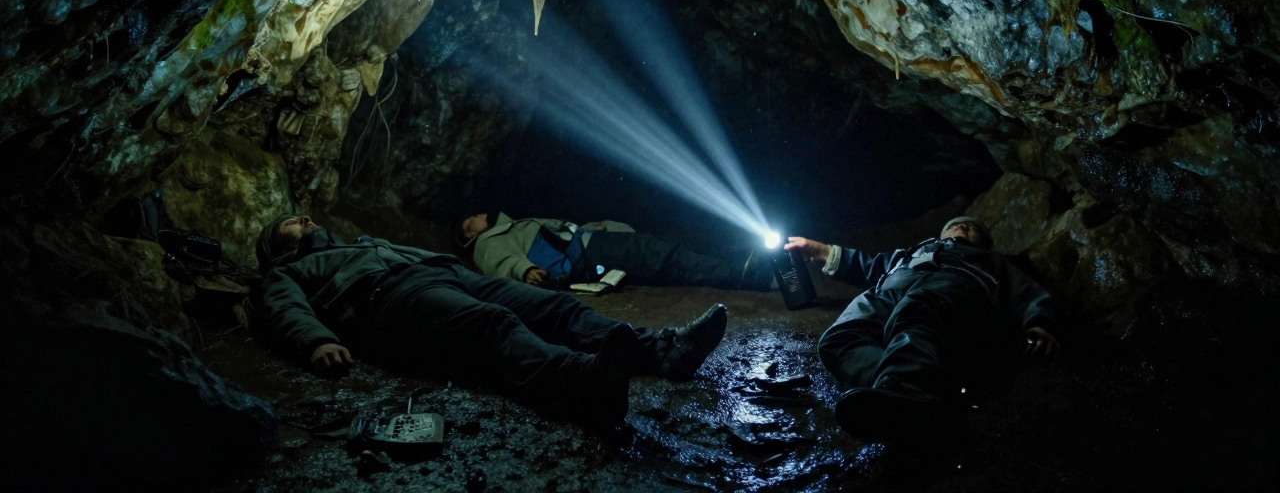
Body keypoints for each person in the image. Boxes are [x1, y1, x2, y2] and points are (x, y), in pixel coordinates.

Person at [255, 213, 729, 428]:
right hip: (392, 299)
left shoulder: (359, 243)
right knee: (492, 325)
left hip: (446, 275)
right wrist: (315, 339)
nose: (306, 221)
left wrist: (458, 268)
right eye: (290, 224)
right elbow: (282, 306)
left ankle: (664, 350)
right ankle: (584, 384)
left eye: (305, 217)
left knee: (555, 308)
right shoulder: (289, 270)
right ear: (276, 246)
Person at [784, 216, 1060, 443]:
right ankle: (909, 395)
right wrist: (819, 250)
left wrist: (1039, 324)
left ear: (985, 243)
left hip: (948, 286)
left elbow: (1028, 292)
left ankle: (905, 392)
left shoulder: (992, 262)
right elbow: (867, 265)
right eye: (956, 224)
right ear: (940, 234)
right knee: (836, 340)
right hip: (888, 292)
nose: (963, 226)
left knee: (918, 311)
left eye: (973, 228)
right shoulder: (911, 253)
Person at [458, 211, 775, 290]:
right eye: (470, 219)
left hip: (587, 247)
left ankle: (737, 270)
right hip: (586, 256)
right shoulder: (487, 241)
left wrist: (596, 226)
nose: (476, 215)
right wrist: (523, 271)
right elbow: (499, 261)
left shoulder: (511, 226)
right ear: (471, 233)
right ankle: (743, 276)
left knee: (659, 256)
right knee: (658, 255)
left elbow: (559, 231)